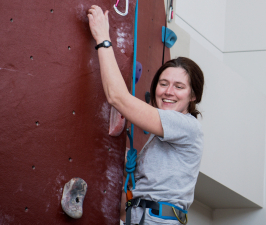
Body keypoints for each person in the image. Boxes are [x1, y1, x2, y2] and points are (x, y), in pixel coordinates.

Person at [87, 5, 204, 225]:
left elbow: (118, 98)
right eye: (163, 84)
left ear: (193, 96)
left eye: (179, 86)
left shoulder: (186, 126)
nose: (168, 92)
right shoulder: (161, 138)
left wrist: (103, 37)